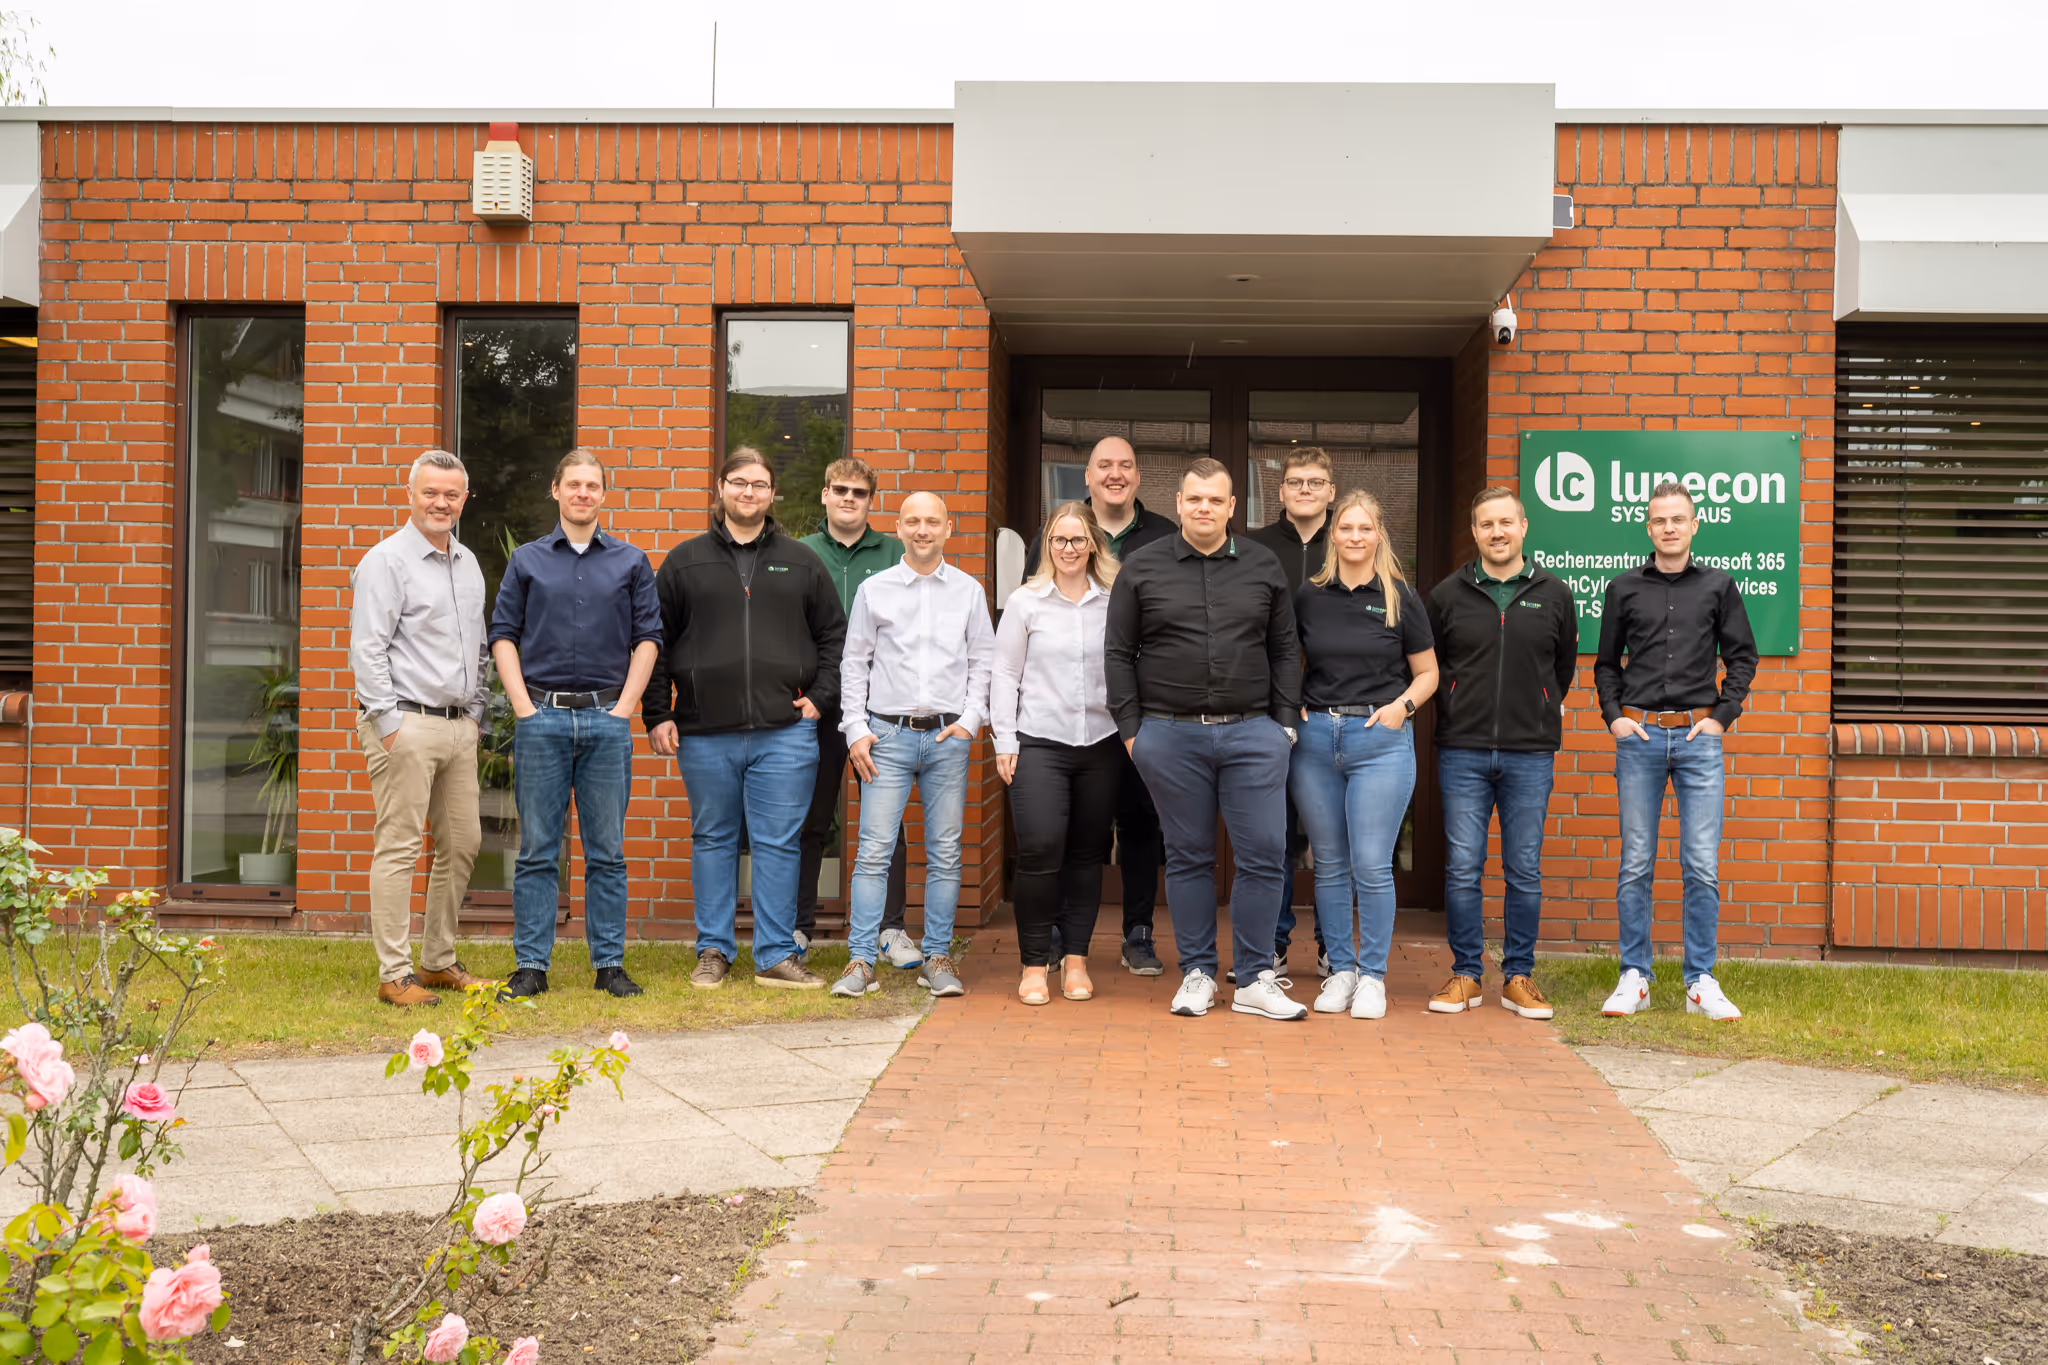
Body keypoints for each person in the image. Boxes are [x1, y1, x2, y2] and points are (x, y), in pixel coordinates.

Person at [1104, 458, 1305, 1022]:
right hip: (1168, 735)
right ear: (1180, 502)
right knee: (1188, 858)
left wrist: (1284, 724)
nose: (1204, 509)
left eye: (1216, 500)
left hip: (1253, 733)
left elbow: (1285, 649)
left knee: (1265, 854)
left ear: (1232, 506)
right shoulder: (1141, 568)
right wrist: (1132, 732)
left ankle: (1256, 977)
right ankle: (1196, 973)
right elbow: (1118, 652)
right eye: (1195, 499)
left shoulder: (1263, 566)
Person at [645, 449, 846, 992]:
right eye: (740, 483)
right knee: (713, 838)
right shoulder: (684, 562)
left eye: (760, 484)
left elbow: (835, 637)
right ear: (721, 488)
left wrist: (821, 698)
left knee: (778, 842)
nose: (749, 492)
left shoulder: (802, 562)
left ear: (772, 493)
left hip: (785, 732)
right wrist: (658, 713)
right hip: (704, 732)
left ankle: (776, 954)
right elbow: (654, 643)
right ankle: (713, 949)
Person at [488, 450, 661, 1001]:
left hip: (607, 722)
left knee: (607, 851)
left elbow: (649, 639)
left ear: (603, 495)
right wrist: (522, 708)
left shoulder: (632, 562)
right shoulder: (528, 561)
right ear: (556, 491)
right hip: (542, 718)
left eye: (593, 486)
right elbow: (503, 635)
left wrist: (625, 710)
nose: (583, 493)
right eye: (574, 484)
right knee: (538, 850)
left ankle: (609, 965)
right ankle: (531, 967)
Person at [1595, 480, 1758, 1023]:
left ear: (1694, 525)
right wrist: (1615, 717)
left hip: (1697, 741)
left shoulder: (1718, 586)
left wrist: (1720, 719)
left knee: (1701, 865)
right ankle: (1634, 977)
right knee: (1635, 862)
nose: (1669, 527)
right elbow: (1604, 664)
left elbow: (1742, 658)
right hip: (1638, 738)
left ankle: (1700, 982)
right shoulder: (1623, 589)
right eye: (1659, 519)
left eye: (1678, 519)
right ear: (1648, 527)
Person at [831, 492, 994, 1001]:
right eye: (913, 522)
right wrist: (855, 728)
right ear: (898, 528)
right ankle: (861, 961)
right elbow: (854, 662)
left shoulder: (968, 591)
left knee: (946, 853)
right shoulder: (873, 590)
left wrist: (970, 720)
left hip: (948, 739)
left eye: (932, 522)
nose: (923, 530)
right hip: (888, 737)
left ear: (949, 527)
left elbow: (983, 662)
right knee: (874, 851)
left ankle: (937, 956)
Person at [1023, 436, 1175, 977]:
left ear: (1138, 477)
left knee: (1140, 821)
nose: (1116, 474)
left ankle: (1137, 932)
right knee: (1069, 829)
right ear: (1086, 477)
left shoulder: (1164, 536)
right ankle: (1066, 936)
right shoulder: (1061, 532)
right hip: (1069, 722)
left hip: (1143, 711)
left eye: (1126, 466)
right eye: (1104, 466)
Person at [1425, 486, 1578, 1020]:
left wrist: (1539, 705)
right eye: (1486, 524)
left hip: (1530, 752)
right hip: (1462, 749)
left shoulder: (1554, 594)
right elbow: (1432, 665)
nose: (1497, 532)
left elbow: (1563, 669)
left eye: (1506, 523)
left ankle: (1519, 977)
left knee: (1525, 869)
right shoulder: (1447, 595)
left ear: (1523, 527)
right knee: (1463, 868)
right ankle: (1466, 974)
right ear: (1475, 532)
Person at [348, 449, 492, 1007]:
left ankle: (437, 961)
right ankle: (394, 973)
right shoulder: (386, 561)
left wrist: (477, 714)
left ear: (463, 498)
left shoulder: (469, 563)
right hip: (405, 722)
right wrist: (388, 724)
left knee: (462, 844)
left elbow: (478, 647)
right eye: (430, 492)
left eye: (451, 494)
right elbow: (368, 649)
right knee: (400, 847)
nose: (441, 502)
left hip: (459, 728)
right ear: (411, 494)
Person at [1290, 490, 1439, 1019]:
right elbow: (1287, 657)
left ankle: (1373, 976)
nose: (1355, 537)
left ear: (1379, 535)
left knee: (1372, 865)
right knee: (1328, 864)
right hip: (1315, 742)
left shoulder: (1400, 595)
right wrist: (1293, 706)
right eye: (1346, 528)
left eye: (1365, 529)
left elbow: (1428, 674)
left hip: (1379, 739)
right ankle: (1342, 972)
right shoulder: (1309, 595)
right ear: (1334, 535)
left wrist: (1402, 707)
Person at [992, 502, 1122, 1006]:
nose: (1069, 550)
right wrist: (1004, 739)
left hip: (1101, 742)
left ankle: (1076, 960)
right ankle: (1032, 965)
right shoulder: (1026, 602)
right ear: (1047, 547)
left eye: (1078, 540)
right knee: (1041, 850)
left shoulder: (1114, 600)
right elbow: (1004, 674)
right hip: (1039, 741)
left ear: (1093, 544)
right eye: (1059, 541)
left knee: (1088, 855)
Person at [796, 457, 914, 969]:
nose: (848, 498)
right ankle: (798, 926)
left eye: (859, 493)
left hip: (880, 711)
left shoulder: (895, 553)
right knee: (809, 817)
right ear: (824, 494)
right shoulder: (798, 554)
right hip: (816, 708)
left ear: (872, 501)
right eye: (839, 489)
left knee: (886, 823)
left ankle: (890, 929)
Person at [1244, 445, 1338, 980]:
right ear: (1279, 492)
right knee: (1271, 838)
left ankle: (1331, 948)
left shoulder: (1349, 543)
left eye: (1315, 481)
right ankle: (1272, 946)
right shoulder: (1255, 549)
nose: (1305, 490)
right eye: (1295, 482)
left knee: (1327, 840)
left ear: (1330, 490)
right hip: (1268, 714)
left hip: (1330, 715)